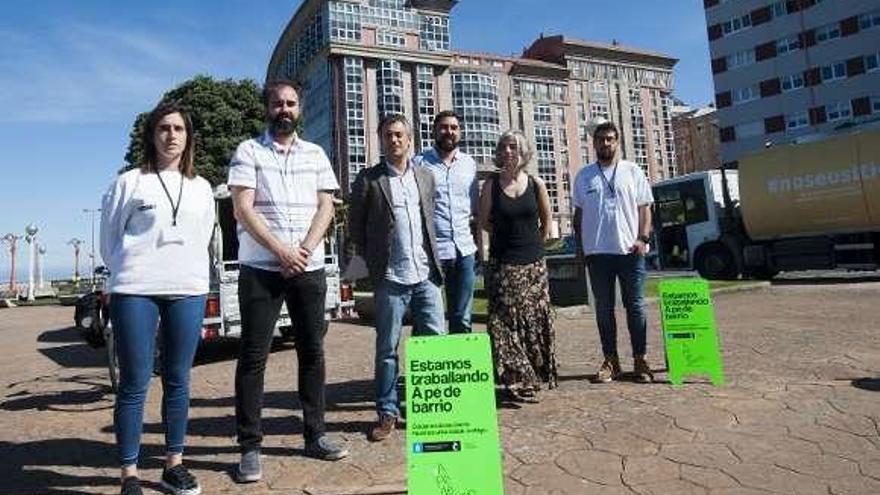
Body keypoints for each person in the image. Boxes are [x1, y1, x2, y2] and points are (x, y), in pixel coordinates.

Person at [228, 79, 348, 483]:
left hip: (308, 269)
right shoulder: (248, 150)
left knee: (312, 353)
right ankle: (249, 446)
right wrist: (281, 250)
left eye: (291, 103)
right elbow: (243, 208)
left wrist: (304, 251)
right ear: (268, 108)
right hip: (261, 269)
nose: (284, 109)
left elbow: (326, 206)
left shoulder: (316, 154)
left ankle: (315, 435)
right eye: (277, 103)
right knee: (253, 357)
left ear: (300, 108)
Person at [100, 102, 215, 495]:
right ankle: (129, 474)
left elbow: (204, 239)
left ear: (188, 137)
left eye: (179, 129)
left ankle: (173, 465)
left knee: (179, 379)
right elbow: (109, 241)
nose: (171, 135)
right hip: (136, 289)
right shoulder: (129, 183)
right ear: (152, 135)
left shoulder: (201, 188)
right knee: (135, 381)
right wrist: (130, 274)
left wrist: (192, 276)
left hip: (188, 290)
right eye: (164, 128)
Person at [349, 113, 446, 441]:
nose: (394, 140)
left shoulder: (425, 176)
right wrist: (373, 266)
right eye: (388, 135)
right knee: (387, 349)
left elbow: (430, 221)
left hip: (425, 276)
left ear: (410, 140)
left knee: (435, 346)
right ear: (382, 140)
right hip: (390, 278)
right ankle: (387, 413)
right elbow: (356, 230)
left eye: (399, 135)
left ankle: (430, 410)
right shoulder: (369, 180)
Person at [478, 130, 558, 402]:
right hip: (503, 262)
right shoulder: (490, 184)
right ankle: (516, 377)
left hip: (534, 264)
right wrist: (504, 236)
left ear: (523, 152)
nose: (508, 151)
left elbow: (546, 220)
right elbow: (484, 221)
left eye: (513, 146)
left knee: (534, 320)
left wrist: (537, 242)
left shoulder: (536, 183)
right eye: (504, 147)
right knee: (503, 323)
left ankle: (532, 376)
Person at [572, 121, 655, 384]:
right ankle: (611, 360)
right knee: (604, 310)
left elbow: (645, 208)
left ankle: (640, 359)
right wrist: (581, 251)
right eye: (600, 139)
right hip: (598, 254)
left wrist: (643, 238)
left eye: (609, 139)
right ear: (593, 143)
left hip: (630, 251)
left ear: (617, 142)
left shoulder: (632, 171)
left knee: (636, 307)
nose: (605, 143)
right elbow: (578, 217)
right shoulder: (584, 176)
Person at [413, 110, 478, 334]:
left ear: (459, 132)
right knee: (428, 316)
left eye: (453, 127)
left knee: (462, 317)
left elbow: (474, 208)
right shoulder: (419, 162)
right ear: (434, 131)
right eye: (443, 127)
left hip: (464, 250)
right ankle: (432, 366)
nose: (448, 131)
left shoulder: (469, 164)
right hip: (431, 252)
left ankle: (460, 367)